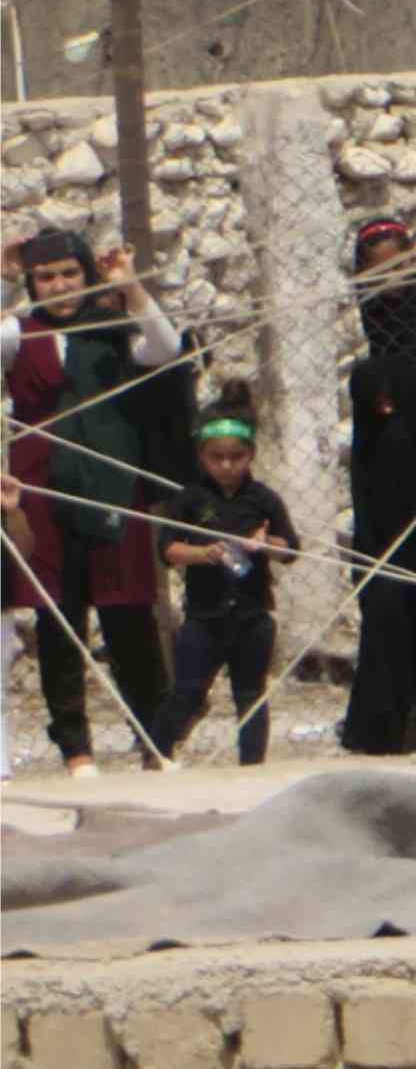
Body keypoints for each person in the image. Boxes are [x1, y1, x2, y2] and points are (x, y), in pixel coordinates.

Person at [8, 230, 190, 773]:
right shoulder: (20, 334)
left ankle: (154, 740)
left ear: (88, 274)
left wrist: (129, 286)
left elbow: (166, 348)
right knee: (58, 619)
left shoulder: (113, 329)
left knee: (128, 614)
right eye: (45, 277)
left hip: (112, 486)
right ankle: (76, 749)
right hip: (43, 491)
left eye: (70, 273)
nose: (60, 286)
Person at [338, 214, 416, 755]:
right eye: (377, 270)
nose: (391, 280)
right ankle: (390, 724)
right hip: (387, 493)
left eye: (400, 266)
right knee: (389, 605)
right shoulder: (374, 361)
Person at [157, 397, 297, 766]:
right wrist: (204, 553)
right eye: (216, 457)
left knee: (251, 695)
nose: (227, 465)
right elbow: (168, 550)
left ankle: (252, 766)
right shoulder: (190, 499)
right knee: (187, 690)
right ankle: (158, 753)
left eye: (236, 457)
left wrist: (265, 544)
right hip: (205, 614)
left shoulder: (263, 499)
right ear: (202, 457)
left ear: (250, 455)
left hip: (253, 613)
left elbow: (290, 549)